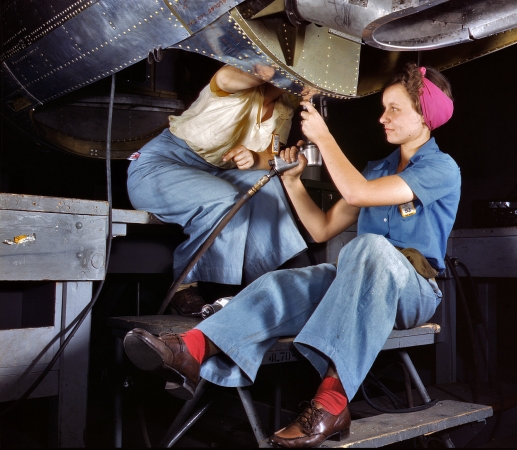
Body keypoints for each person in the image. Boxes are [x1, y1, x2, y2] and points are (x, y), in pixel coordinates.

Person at [123, 61, 461, 448]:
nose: (382, 118)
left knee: (369, 247)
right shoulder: (375, 169)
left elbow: (356, 195)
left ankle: (331, 404)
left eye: (394, 110)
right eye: (382, 107)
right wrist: (292, 180)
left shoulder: (441, 168)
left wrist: (325, 137)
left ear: (424, 116)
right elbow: (321, 228)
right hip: (358, 279)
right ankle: (191, 351)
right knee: (283, 282)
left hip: (413, 292)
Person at [126, 64, 307, 315]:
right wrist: (270, 70)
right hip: (160, 166)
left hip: (215, 173)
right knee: (224, 199)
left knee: (269, 185)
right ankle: (186, 287)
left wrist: (255, 158)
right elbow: (225, 78)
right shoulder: (235, 81)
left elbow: (271, 157)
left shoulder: (286, 105)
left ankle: (273, 285)